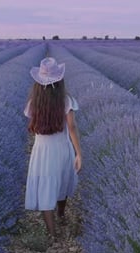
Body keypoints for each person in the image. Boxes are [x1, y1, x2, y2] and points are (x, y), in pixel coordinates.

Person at [24, 57, 82, 239]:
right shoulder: (66, 100)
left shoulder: (34, 102)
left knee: (45, 188)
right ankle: (62, 215)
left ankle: (52, 233)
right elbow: (71, 127)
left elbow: (33, 124)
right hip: (62, 148)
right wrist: (79, 153)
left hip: (42, 150)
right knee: (63, 181)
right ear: (60, 80)